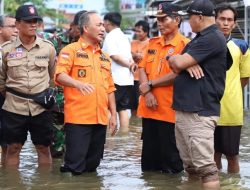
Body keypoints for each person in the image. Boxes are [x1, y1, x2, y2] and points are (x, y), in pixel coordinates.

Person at [169, 0, 232, 189]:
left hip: (199, 111)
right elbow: (176, 62)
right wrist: (184, 61)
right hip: (188, 110)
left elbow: (178, 64)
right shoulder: (201, 38)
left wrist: (183, 62)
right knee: (192, 168)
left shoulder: (212, 38)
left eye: (189, 17)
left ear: (200, 17)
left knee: (206, 169)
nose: (188, 21)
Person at [55, 11, 117, 175]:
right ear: (86, 28)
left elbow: (110, 87)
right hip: (78, 119)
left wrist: (114, 115)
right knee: (74, 167)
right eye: (98, 25)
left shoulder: (105, 57)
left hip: (100, 119)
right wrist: (77, 84)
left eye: (103, 25)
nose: (103, 28)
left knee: (93, 166)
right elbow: (59, 75)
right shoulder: (71, 50)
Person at [0, 5, 56, 167]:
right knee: (13, 148)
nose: (33, 25)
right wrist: (13, 95)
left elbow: (53, 77)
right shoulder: (6, 50)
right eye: (28, 21)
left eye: (36, 21)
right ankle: (12, 184)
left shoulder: (48, 48)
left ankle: (44, 184)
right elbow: (1, 80)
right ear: (17, 24)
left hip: (41, 107)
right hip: (14, 108)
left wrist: (44, 94)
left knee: (43, 148)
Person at [137, 3, 189, 173]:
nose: (159, 23)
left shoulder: (185, 45)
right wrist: (147, 92)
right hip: (149, 109)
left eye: (163, 19)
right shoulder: (152, 43)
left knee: (172, 165)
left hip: (170, 112)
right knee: (149, 166)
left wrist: (150, 85)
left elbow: (179, 74)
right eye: (157, 19)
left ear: (177, 20)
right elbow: (142, 68)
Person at [214, 3, 250, 173]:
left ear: (235, 23)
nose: (225, 23)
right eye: (222, 19)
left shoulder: (242, 46)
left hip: (231, 110)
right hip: (208, 108)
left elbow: (244, 78)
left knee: (232, 155)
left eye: (229, 20)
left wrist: (230, 91)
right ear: (215, 20)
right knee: (211, 156)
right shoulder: (203, 44)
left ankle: (233, 186)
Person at [102, 12, 134, 132]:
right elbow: (129, 56)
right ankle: (124, 135)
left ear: (108, 22)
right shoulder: (123, 36)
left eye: (103, 22)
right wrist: (130, 65)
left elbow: (114, 56)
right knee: (123, 108)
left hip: (115, 79)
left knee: (109, 107)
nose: (103, 25)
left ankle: (110, 135)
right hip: (126, 79)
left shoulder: (110, 37)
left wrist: (130, 65)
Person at [0, 14, 18, 164]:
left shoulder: (19, 49)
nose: (16, 30)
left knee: (8, 144)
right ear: (0, 29)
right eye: (12, 26)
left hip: (10, 101)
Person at [130, 20, 149, 115]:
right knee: (132, 105)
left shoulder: (151, 43)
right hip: (132, 78)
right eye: (136, 31)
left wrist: (135, 55)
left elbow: (144, 59)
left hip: (143, 78)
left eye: (139, 31)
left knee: (142, 104)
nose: (137, 33)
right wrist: (134, 55)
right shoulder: (132, 43)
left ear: (146, 32)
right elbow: (128, 56)